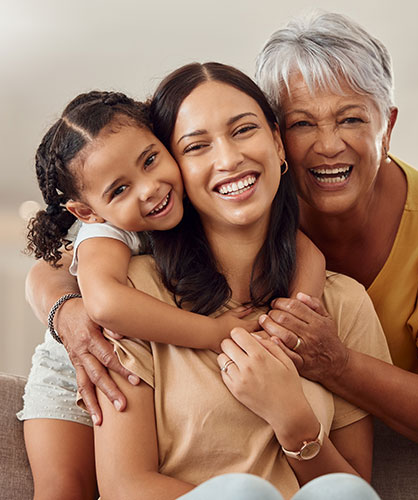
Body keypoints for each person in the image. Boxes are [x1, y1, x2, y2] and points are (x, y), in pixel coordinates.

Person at [91, 61, 390, 499]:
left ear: (278, 143)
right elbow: (123, 486)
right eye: (196, 147)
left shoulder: (343, 302)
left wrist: (291, 418)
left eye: (244, 130)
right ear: (175, 171)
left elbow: (354, 487)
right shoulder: (138, 292)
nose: (229, 159)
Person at [19, 89, 325, 499]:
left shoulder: (196, 196)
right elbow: (106, 304)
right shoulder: (104, 233)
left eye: (150, 160)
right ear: (87, 212)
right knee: (63, 490)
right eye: (119, 190)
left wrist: (290, 328)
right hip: (76, 362)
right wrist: (216, 334)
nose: (148, 189)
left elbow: (304, 249)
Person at [252, 11, 418, 458]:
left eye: (350, 120)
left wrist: (338, 364)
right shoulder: (246, 203)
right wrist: (77, 296)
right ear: (275, 137)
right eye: (302, 123)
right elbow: (128, 221)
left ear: (387, 127)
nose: (328, 145)